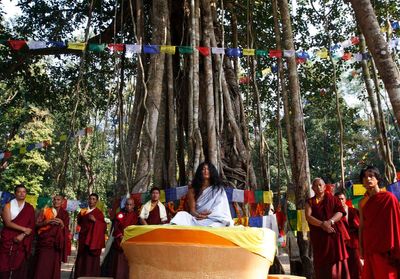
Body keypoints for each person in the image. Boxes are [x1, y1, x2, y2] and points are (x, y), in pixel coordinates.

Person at [358, 166, 400, 279]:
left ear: (377, 179)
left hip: (387, 247)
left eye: (371, 176)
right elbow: (361, 225)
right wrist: (360, 247)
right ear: (362, 182)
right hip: (370, 246)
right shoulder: (362, 203)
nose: (368, 179)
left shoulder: (389, 198)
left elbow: (396, 222)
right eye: (365, 177)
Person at [305, 178, 350, 279]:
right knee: (322, 268)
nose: (318, 187)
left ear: (325, 187)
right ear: (312, 188)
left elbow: (340, 212)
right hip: (320, 239)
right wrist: (322, 224)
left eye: (320, 185)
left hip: (333, 237)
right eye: (316, 185)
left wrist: (330, 222)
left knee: (337, 266)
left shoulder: (332, 199)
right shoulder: (310, 202)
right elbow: (308, 217)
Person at [170, 162, 233, 227]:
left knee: (220, 223)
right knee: (181, 215)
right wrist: (199, 216)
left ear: (212, 172)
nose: (206, 171)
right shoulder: (192, 190)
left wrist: (208, 216)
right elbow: (192, 211)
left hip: (213, 219)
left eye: (208, 169)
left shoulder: (218, 190)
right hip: (197, 219)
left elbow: (221, 210)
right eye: (203, 169)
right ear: (200, 172)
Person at [0, 184, 35, 279]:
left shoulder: (30, 208)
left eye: (24, 192)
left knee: (19, 266)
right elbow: (7, 223)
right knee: (4, 264)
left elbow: (31, 225)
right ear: (15, 193)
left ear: (26, 194)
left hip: (22, 240)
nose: (21, 194)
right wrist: (24, 229)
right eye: (19, 191)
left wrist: (22, 235)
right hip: (8, 237)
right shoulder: (8, 205)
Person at [33, 194, 70, 279]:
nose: (56, 201)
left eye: (58, 200)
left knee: (54, 266)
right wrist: (46, 222)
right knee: (42, 265)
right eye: (55, 199)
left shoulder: (65, 214)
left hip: (56, 244)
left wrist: (62, 224)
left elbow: (66, 230)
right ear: (52, 201)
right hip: (45, 243)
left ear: (62, 202)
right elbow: (36, 225)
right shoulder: (45, 211)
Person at [102, 198, 138, 279]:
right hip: (119, 242)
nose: (128, 206)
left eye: (130, 205)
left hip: (129, 242)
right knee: (118, 265)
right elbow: (116, 226)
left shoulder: (136, 216)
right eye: (127, 204)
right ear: (125, 205)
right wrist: (120, 236)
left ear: (133, 206)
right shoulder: (120, 214)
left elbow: (135, 228)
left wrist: (127, 237)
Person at [74, 193, 106, 279]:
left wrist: (95, 221)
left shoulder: (99, 213)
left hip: (92, 241)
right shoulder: (83, 211)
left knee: (91, 262)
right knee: (82, 260)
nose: (91, 201)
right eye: (90, 199)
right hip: (83, 239)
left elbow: (103, 227)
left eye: (93, 199)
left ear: (96, 201)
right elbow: (79, 223)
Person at [335, 192, 362, 279]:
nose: (340, 201)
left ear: (345, 200)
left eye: (342, 199)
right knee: (343, 269)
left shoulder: (354, 211)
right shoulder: (333, 215)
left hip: (354, 243)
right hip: (340, 245)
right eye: (338, 199)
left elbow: (360, 228)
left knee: (356, 267)